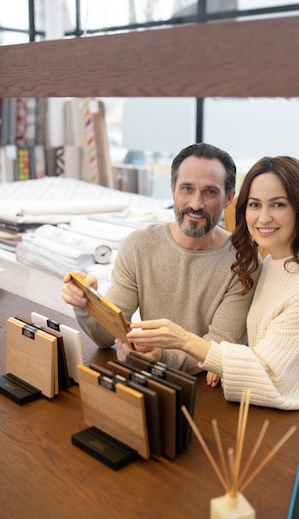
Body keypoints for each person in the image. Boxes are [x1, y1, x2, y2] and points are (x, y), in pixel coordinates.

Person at [120, 155, 299, 435]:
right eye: (255, 205)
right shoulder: (271, 264)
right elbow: (270, 345)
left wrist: (183, 340)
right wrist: (224, 359)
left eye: (278, 204)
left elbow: (268, 372)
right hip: (287, 418)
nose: (263, 217)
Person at [61, 143, 261, 385]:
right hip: (145, 382)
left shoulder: (244, 261)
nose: (196, 204)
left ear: (229, 198)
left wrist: (162, 357)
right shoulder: (139, 246)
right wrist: (87, 302)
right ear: (173, 190)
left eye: (210, 192)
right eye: (187, 188)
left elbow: (217, 349)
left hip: (203, 392)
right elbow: (106, 337)